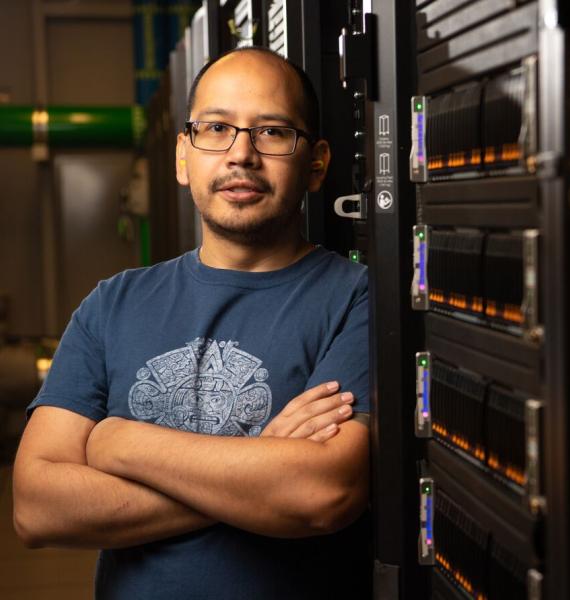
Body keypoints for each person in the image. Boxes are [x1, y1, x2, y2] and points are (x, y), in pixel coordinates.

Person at [12, 47, 371, 599]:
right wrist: (259, 474)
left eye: (272, 132)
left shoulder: (355, 297)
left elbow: (322, 493)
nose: (241, 154)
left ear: (316, 163)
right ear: (183, 157)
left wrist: (120, 443)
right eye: (216, 127)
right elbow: (38, 507)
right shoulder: (112, 304)